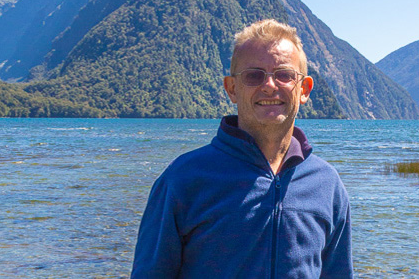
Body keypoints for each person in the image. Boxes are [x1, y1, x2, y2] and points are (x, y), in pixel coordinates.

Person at [131, 19, 353, 278]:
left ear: (303, 89)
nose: (270, 85)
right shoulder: (183, 179)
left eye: (284, 75)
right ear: (232, 88)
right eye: (253, 75)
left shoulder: (327, 185)